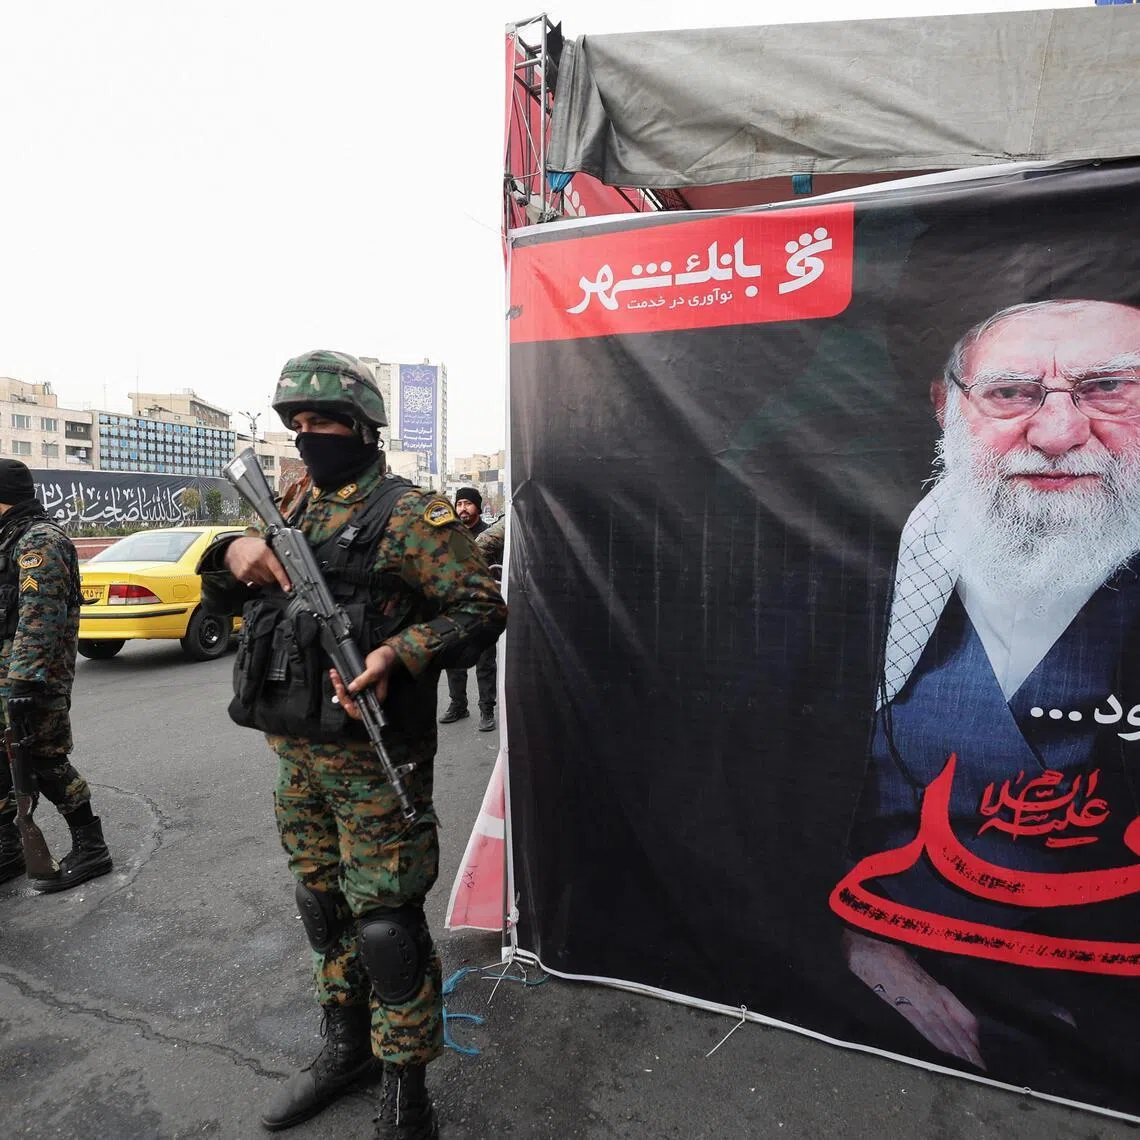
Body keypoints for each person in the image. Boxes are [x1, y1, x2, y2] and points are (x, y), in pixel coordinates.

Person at [198, 351, 506, 1139]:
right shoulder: (294, 501)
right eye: (296, 425)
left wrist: (397, 653)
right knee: (322, 907)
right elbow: (228, 573)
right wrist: (231, 552)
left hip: (378, 762)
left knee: (386, 926)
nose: (308, 438)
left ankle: (407, 1086)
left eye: (323, 423)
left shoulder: (410, 514)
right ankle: (346, 1050)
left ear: (364, 428)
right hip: (297, 756)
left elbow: (480, 609)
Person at [836, 299, 1140, 1087]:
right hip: (897, 1002)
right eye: (1011, 394)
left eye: (1109, 388)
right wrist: (863, 947)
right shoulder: (863, 561)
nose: (1058, 434)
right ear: (949, 411)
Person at [0, 459, 113, 892]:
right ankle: (9, 849)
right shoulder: (8, 538)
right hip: (6, 675)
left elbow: (39, 616)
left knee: (45, 762)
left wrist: (25, 681)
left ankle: (91, 846)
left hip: (33, 679)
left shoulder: (40, 541)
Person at [439, 487, 499, 732]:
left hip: (483, 607)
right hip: (455, 606)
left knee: (485, 660)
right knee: (454, 657)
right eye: (459, 503)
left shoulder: (491, 534)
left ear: (478, 506)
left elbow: (499, 569)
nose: (463, 508)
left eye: (468, 503)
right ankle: (458, 705)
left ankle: (487, 709)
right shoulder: (450, 534)